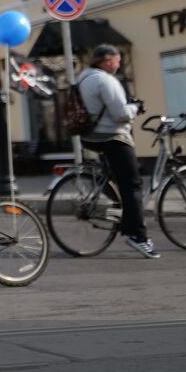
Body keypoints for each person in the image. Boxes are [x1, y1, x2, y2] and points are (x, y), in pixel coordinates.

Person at [78, 44, 157, 258]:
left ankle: (118, 209)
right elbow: (121, 113)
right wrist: (136, 108)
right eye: (117, 60)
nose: (119, 63)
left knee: (118, 179)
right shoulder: (105, 80)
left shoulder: (84, 76)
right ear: (107, 61)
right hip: (112, 137)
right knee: (132, 185)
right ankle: (138, 236)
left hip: (90, 137)